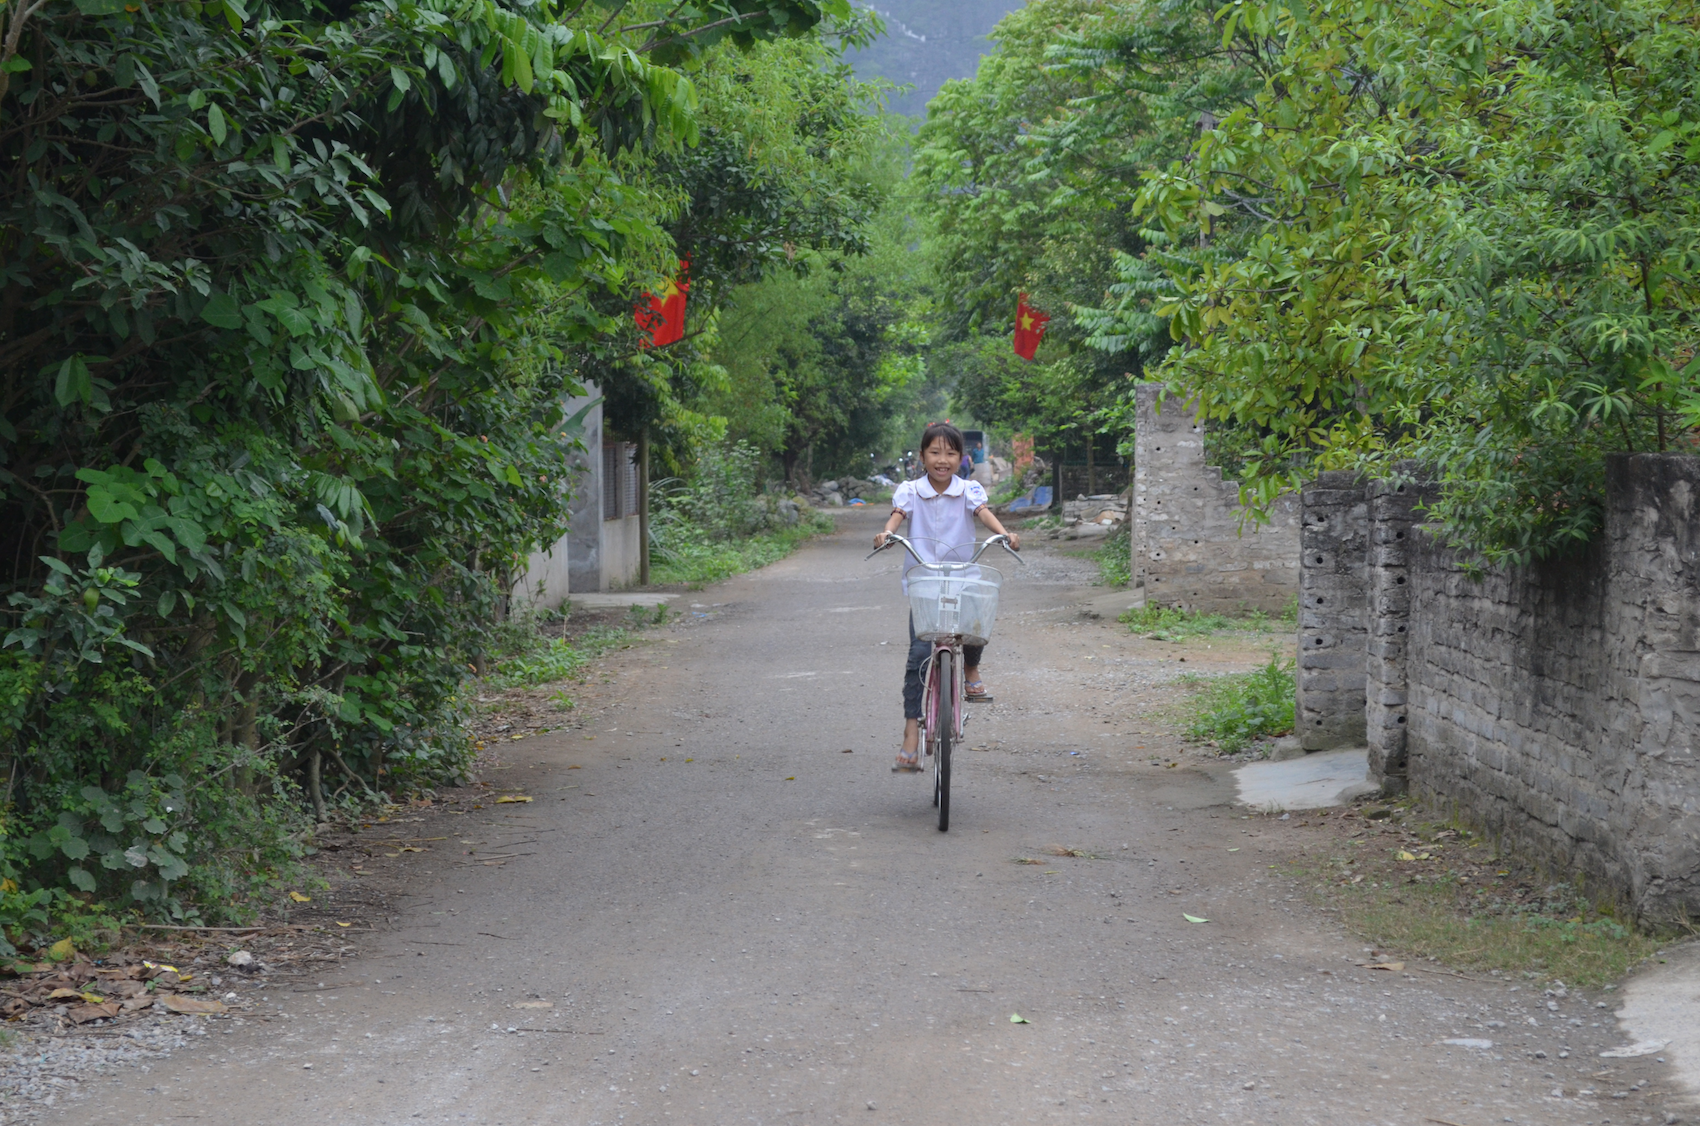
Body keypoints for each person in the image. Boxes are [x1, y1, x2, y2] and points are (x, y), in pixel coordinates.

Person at [874, 423, 1020, 773]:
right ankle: (911, 733)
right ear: (923, 456)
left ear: (961, 458)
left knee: (975, 625)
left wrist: (1005, 534)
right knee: (918, 656)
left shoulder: (968, 489)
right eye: (935, 453)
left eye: (951, 453)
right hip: (925, 583)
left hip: (961, 578)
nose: (943, 460)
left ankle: (971, 667)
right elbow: (897, 517)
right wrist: (886, 534)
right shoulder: (910, 491)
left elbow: (984, 514)